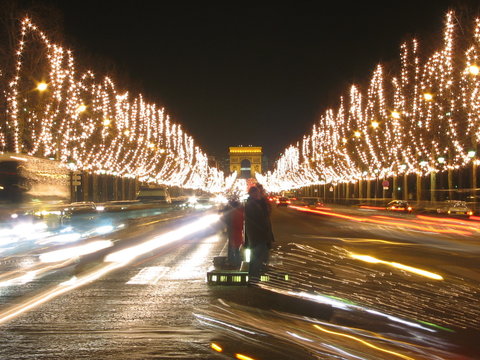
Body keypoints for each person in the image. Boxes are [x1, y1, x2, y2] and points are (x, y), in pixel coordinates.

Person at [244, 186, 274, 282]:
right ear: (251, 194)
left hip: (261, 236)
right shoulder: (251, 205)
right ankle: (254, 279)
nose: (258, 195)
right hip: (258, 236)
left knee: (260, 258)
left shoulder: (258, 204)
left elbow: (267, 215)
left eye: (259, 193)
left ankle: (254, 278)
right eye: (255, 193)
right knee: (258, 259)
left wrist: (264, 202)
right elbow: (259, 221)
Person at [222, 198, 244, 267]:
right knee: (236, 248)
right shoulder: (240, 211)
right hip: (237, 231)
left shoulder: (234, 213)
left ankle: (234, 262)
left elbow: (228, 220)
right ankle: (236, 262)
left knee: (234, 248)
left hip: (234, 231)